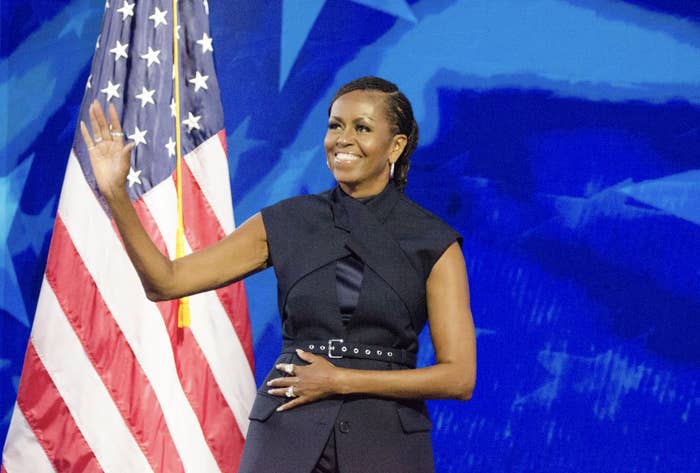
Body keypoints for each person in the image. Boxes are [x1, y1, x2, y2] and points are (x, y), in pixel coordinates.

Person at [81, 76, 476, 473]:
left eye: (362, 128)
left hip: (387, 440)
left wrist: (342, 380)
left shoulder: (434, 242)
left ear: (396, 145)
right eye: (335, 125)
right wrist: (116, 193)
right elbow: (165, 281)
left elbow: (458, 377)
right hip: (287, 431)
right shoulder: (285, 222)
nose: (343, 138)